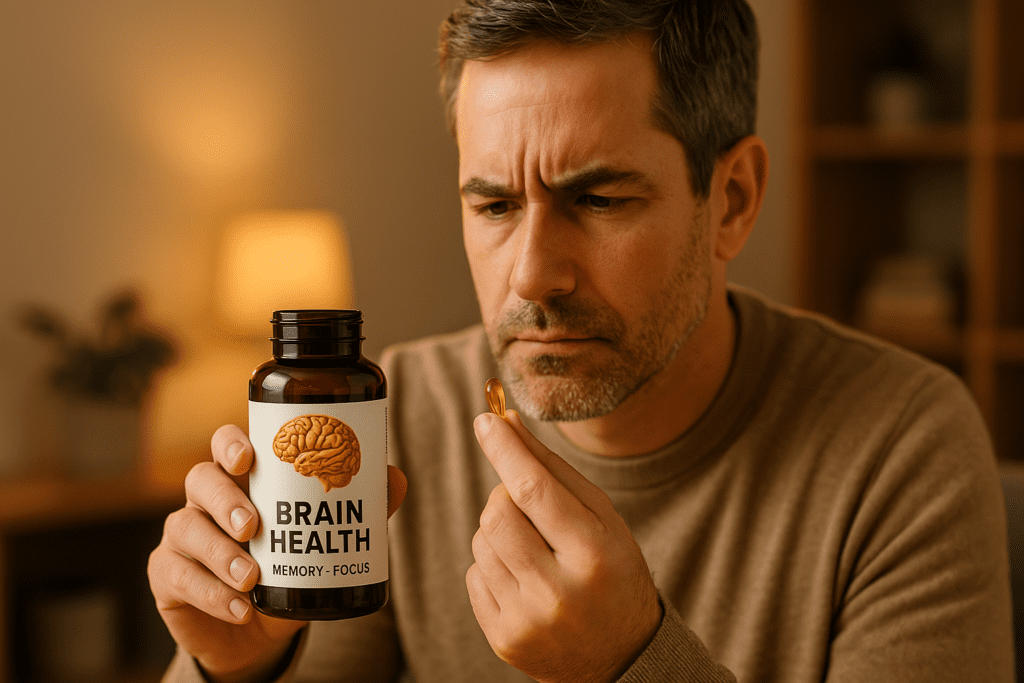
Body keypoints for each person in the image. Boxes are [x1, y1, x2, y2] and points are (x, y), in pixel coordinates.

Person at [147, 1, 1015, 681]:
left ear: (734, 200)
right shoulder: (392, 418)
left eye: (599, 200)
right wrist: (235, 665)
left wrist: (630, 664)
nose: (532, 276)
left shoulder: (904, 447)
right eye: (495, 204)